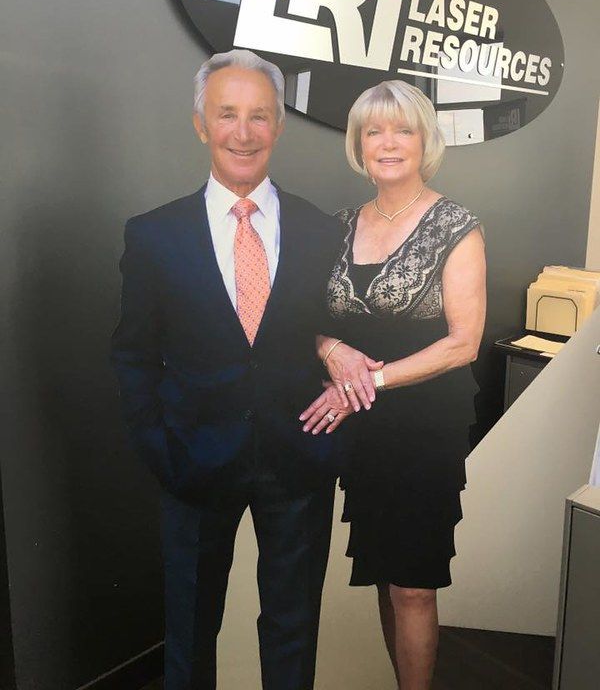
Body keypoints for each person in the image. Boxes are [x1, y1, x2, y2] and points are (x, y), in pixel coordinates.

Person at [110, 49, 378, 690]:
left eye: (260, 116)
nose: (244, 131)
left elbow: (338, 327)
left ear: (278, 126)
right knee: (189, 631)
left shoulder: (320, 231)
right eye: (227, 114)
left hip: (299, 457)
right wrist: (161, 447)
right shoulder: (154, 235)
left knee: (292, 627)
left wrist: (330, 346)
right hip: (193, 463)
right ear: (201, 123)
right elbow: (133, 353)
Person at [301, 79, 486, 690]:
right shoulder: (338, 225)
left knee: (412, 583)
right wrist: (331, 348)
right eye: (374, 131)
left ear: (423, 140)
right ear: (358, 143)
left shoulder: (455, 225)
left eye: (402, 129)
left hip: (423, 430)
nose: (388, 143)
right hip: (364, 433)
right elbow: (302, 320)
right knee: (386, 571)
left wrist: (369, 379)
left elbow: (463, 343)